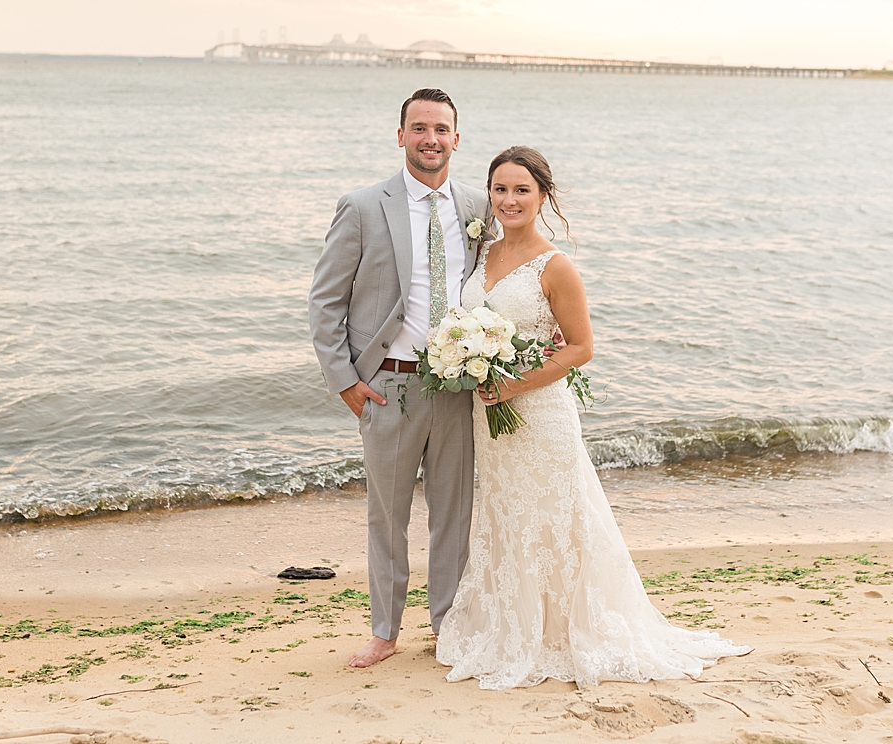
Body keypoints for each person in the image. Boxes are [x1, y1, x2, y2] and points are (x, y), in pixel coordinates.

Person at [436, 145, 751, 689]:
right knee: (507, 514)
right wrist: (464, 358)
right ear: (488, 194)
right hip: (488, 418)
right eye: (500, 189)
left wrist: (510, 384)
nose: (509, 200)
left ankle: (563, 631)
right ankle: (515, 623)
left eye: (521, 190)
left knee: (558, 518)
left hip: (538, 414)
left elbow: (580, 348)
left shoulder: (555, 265)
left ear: (543, 197)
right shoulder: (480, 254)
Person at [308, 88, 490, 668]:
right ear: (401, 135)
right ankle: (385, 630)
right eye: (419, 128)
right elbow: (325, 302)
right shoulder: (363, 206)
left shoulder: (478, 206)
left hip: (458, 387)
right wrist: (345, 382)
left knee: (454, 515)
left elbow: (502, 282)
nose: (430, 139)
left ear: (456, 139)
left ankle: (447, 627)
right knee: (386, 515)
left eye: (441, 129)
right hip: (388, 386)